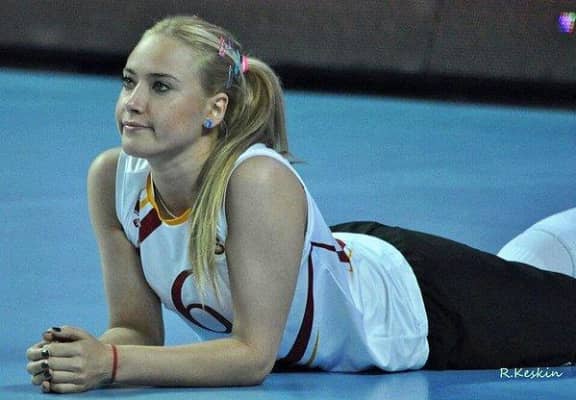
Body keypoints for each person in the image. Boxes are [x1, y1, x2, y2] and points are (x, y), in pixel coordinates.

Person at [25, 15, 576, 394]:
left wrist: (112, 364)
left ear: (215, 109)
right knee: (528, 280)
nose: (133, 103)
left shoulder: (257, 179)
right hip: (338, 263)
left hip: (426, 309)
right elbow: (135, 331)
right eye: (129, 82)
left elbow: (250, 356)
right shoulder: (112, 179)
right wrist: (81, 356)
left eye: (161, 87)